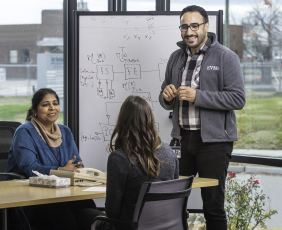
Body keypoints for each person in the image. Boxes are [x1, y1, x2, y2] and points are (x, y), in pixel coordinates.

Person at [159, 5, 245, 230]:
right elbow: (164, 97)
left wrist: (198, 96)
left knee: (213, 206)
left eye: (194, 26)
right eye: (184, 26)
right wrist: (166, 96)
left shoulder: (226, 57)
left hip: (214, 144)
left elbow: (238, 99)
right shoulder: (175, 58)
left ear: (206, 26)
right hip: (182, 140)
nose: (189, 32)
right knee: (174, 203)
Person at [7, 88, 100, 230]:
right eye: (45, 104)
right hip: (35, 197)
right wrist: (62, 170)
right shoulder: (24, 132)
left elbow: (77, 163)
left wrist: (77, 169)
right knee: (67, 220)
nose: (52, 108)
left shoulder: (65, 131)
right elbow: (30, 167)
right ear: (35, 110)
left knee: (92, 215)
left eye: (55, 103)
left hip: (64, 192)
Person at [105, 95, 179, 230]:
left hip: (131, 226)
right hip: (166, 226)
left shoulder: (119, 158)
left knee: (84, 214)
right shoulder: (169, 152)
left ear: (123, 122)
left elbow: (112, 211)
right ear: (150, 120)